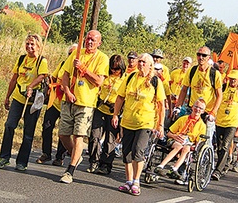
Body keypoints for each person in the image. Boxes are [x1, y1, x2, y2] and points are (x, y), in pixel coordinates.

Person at [58, 30, 109, 184]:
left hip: (86, 103)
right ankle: (76, 155)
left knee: (78, 135)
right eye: (88, 39)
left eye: (93, 40)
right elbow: (65, 74)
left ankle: (70, 170)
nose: (90, 42)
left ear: (99, 42)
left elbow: (98, 82)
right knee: (63, 134)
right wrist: (67, 91)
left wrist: (83, 69)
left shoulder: (102, 58)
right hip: (70, 100)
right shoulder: (76, 53)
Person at [112, 53, 166, 196]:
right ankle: (128, 181)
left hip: (145, 122)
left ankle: (136, 181)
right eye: (140, 61)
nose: (141, 64)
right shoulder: (130, 77)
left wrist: (160, 124)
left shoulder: (155, 81)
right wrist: (116, 114)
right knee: (127, 152)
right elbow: (120, 97)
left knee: (138, 151)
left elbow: (161, 104)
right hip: (128, 121)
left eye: (144, 62)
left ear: (150, 65)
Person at [0, 34, 48, 171]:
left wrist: (31, 86)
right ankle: (4, 157)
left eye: (32, 44)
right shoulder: (21, 59)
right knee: (9, 125)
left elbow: (43, 75)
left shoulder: (41, 61)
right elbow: (14, 79)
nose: (29, 47)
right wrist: (7, 97)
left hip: (33, 101)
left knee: (28, 133)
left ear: (38, 46)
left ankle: (22, 162)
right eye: (28, 44)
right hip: (18, 98)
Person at [36, 44, 78, 166]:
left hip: (67, 103)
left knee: (64, 131)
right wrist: (52, 87)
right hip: (55, 102)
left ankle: (60, 157)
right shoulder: (62, 64)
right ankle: (46, 153)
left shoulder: (78, 69)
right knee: (47, 126)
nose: (71, 56)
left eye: (74, 54)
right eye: (70, 54)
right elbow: (53, 77)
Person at [87, 54, 126, 175]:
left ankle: (106, 164)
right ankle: (94, 160)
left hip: (113, 111)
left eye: (117, 69)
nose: (114, 71)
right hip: (100, 108)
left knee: (110, 139)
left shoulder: (125, 79)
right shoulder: (105, 76)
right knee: (94, 136)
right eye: (112, 69)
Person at [154, 98, 207, 180]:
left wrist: (195, 146)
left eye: (200, 108)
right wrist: (175, 136)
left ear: (203, 111)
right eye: (196, 107)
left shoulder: (202, 126)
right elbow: (169, 133)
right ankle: (161, 166)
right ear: (192, 107)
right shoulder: (183, 119)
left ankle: (174, 169)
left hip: (189, 142)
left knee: (186, 149)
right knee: (178, 146)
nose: (197, 109)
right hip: (176, 139)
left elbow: (199, 141)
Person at [174, 46, 223, 133]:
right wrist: (178, 106)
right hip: (192, 109)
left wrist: (213, 112)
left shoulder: (215, 74)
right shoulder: (192, 70)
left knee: (205, 138)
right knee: (185, 134)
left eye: (204, 55)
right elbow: (184, 89)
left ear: (209, 58)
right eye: (198, 54)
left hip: (207, 112)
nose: (201, 57)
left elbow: (219, 95)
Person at [211, 70, 238, 181]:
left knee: (226, 145)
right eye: (231, 78)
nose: (232, 81)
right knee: (219, 146)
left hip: (232, 123)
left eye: (234, 79)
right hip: (220, 121)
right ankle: (225, 164)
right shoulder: (223, 87)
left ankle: (218, 170)